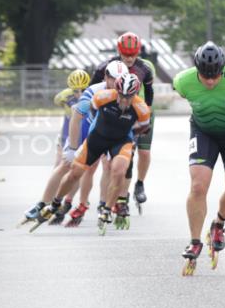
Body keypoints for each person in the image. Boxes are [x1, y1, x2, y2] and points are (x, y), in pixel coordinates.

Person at [173, 41, 225, 275]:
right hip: (203, 132)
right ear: (196, 70)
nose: (210, 82)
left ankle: (218, 223)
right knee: (198, 185)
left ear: (222, 69)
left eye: (215, 76)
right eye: (205, 76)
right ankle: (195, 240)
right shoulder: (183, 81)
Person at [42, 73, 150, 232]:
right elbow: (90, 114)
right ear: (116, 91)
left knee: (119, 171)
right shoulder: (102, 97)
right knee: (75, 173)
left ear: (135, 94)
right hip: (98, 138)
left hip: (121, 141)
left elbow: (143, 128)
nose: (125, 100)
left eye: (129, 97)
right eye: (122, 95)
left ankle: (106, 209)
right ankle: (56, 203)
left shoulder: (141, 108)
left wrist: (128, 135)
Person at [90, 32, 156, 207]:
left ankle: (139, 184)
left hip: (139, 110)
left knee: (143, 151)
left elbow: (149, 93)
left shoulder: (145, 69)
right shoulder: (106, 67)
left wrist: (146, 113)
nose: (129, 58)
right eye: (126, 54)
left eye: (133, 54)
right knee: (113, 161)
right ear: (119, 51)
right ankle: (112, 199)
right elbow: (92, 91)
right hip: (112, 112)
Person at [20, 69, 92, 228]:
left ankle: (67, 201)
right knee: (61, 166)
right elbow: (57, 100)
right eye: (76, 91)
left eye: (83, 90)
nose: (79, 94)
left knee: (79, 170)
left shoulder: (94, 95)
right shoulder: (65, 96)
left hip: (87, 135)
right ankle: (42, 204)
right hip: (69, 134)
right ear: (70, 89)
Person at [63, 60, 130, 227]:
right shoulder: (93, 91)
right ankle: (82, 204)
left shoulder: (127, 92)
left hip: (114, 132)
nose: (117, 84)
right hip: (94, 128)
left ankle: (103, 204)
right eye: (114, 79)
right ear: (106, 77)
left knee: (110, 166)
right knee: (89, 167)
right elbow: (77, 118)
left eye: (121, 79)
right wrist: (72, 147)